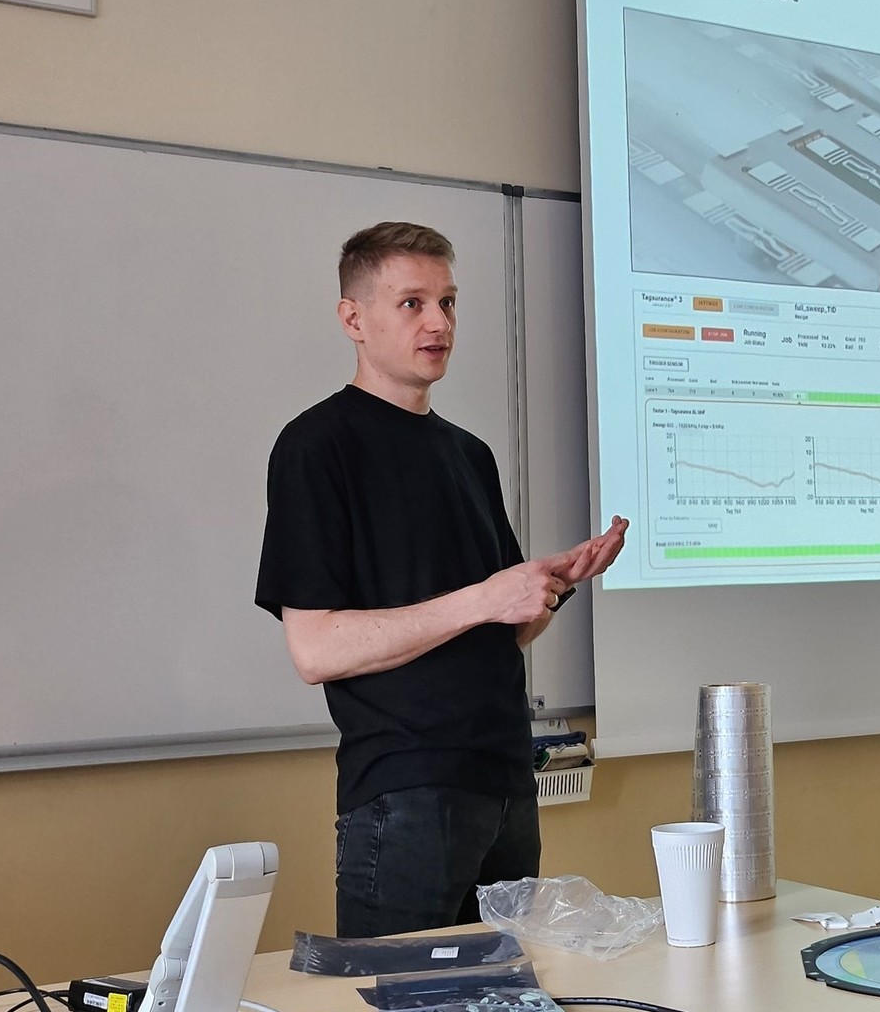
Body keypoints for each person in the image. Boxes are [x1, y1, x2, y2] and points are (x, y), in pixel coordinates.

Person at [254, 220, 628, 937]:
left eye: (448, 303)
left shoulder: (469, 454)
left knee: (505, 998)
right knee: (399, 1003)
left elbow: (496, 635)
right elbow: (316, 649)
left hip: (507, 781)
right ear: (353, 319)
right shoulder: (316, 447)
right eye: (413, 304)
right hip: (406, 794)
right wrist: (484, 597)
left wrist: (552, 586)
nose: (439, 323)